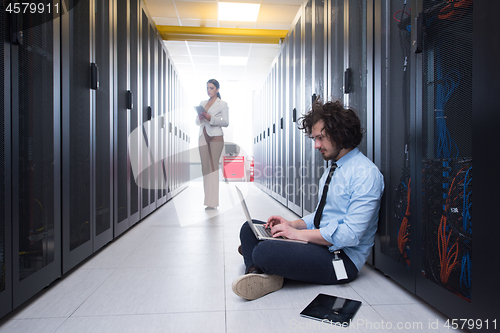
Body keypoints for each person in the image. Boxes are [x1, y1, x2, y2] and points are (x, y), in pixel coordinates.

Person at [232, 99, 384, 301]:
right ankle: (257, 272)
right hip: (319, 245)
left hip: (340, 258)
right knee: (248, 228)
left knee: (264, 250)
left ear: (340, 133)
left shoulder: (366, 174)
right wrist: (290, 224)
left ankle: (259, 261)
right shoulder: (333, 168)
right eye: (315, 139)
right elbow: (321, 216)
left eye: (320, 138)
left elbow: (350, 235)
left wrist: (296, 235)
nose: (316, 146)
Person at [196, 79, 229, 209]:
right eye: (208, 88)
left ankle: (213, 202)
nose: (209, 90)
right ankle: (207, 200)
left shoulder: (222, 104)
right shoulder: (202, 103)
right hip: (202, 135)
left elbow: (226, 122)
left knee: (212, 168)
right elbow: (197, 122)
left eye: (211, 88)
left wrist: (211, 118)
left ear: (217, 89)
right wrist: (199, 118)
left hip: (216, 136)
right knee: (205, 169)